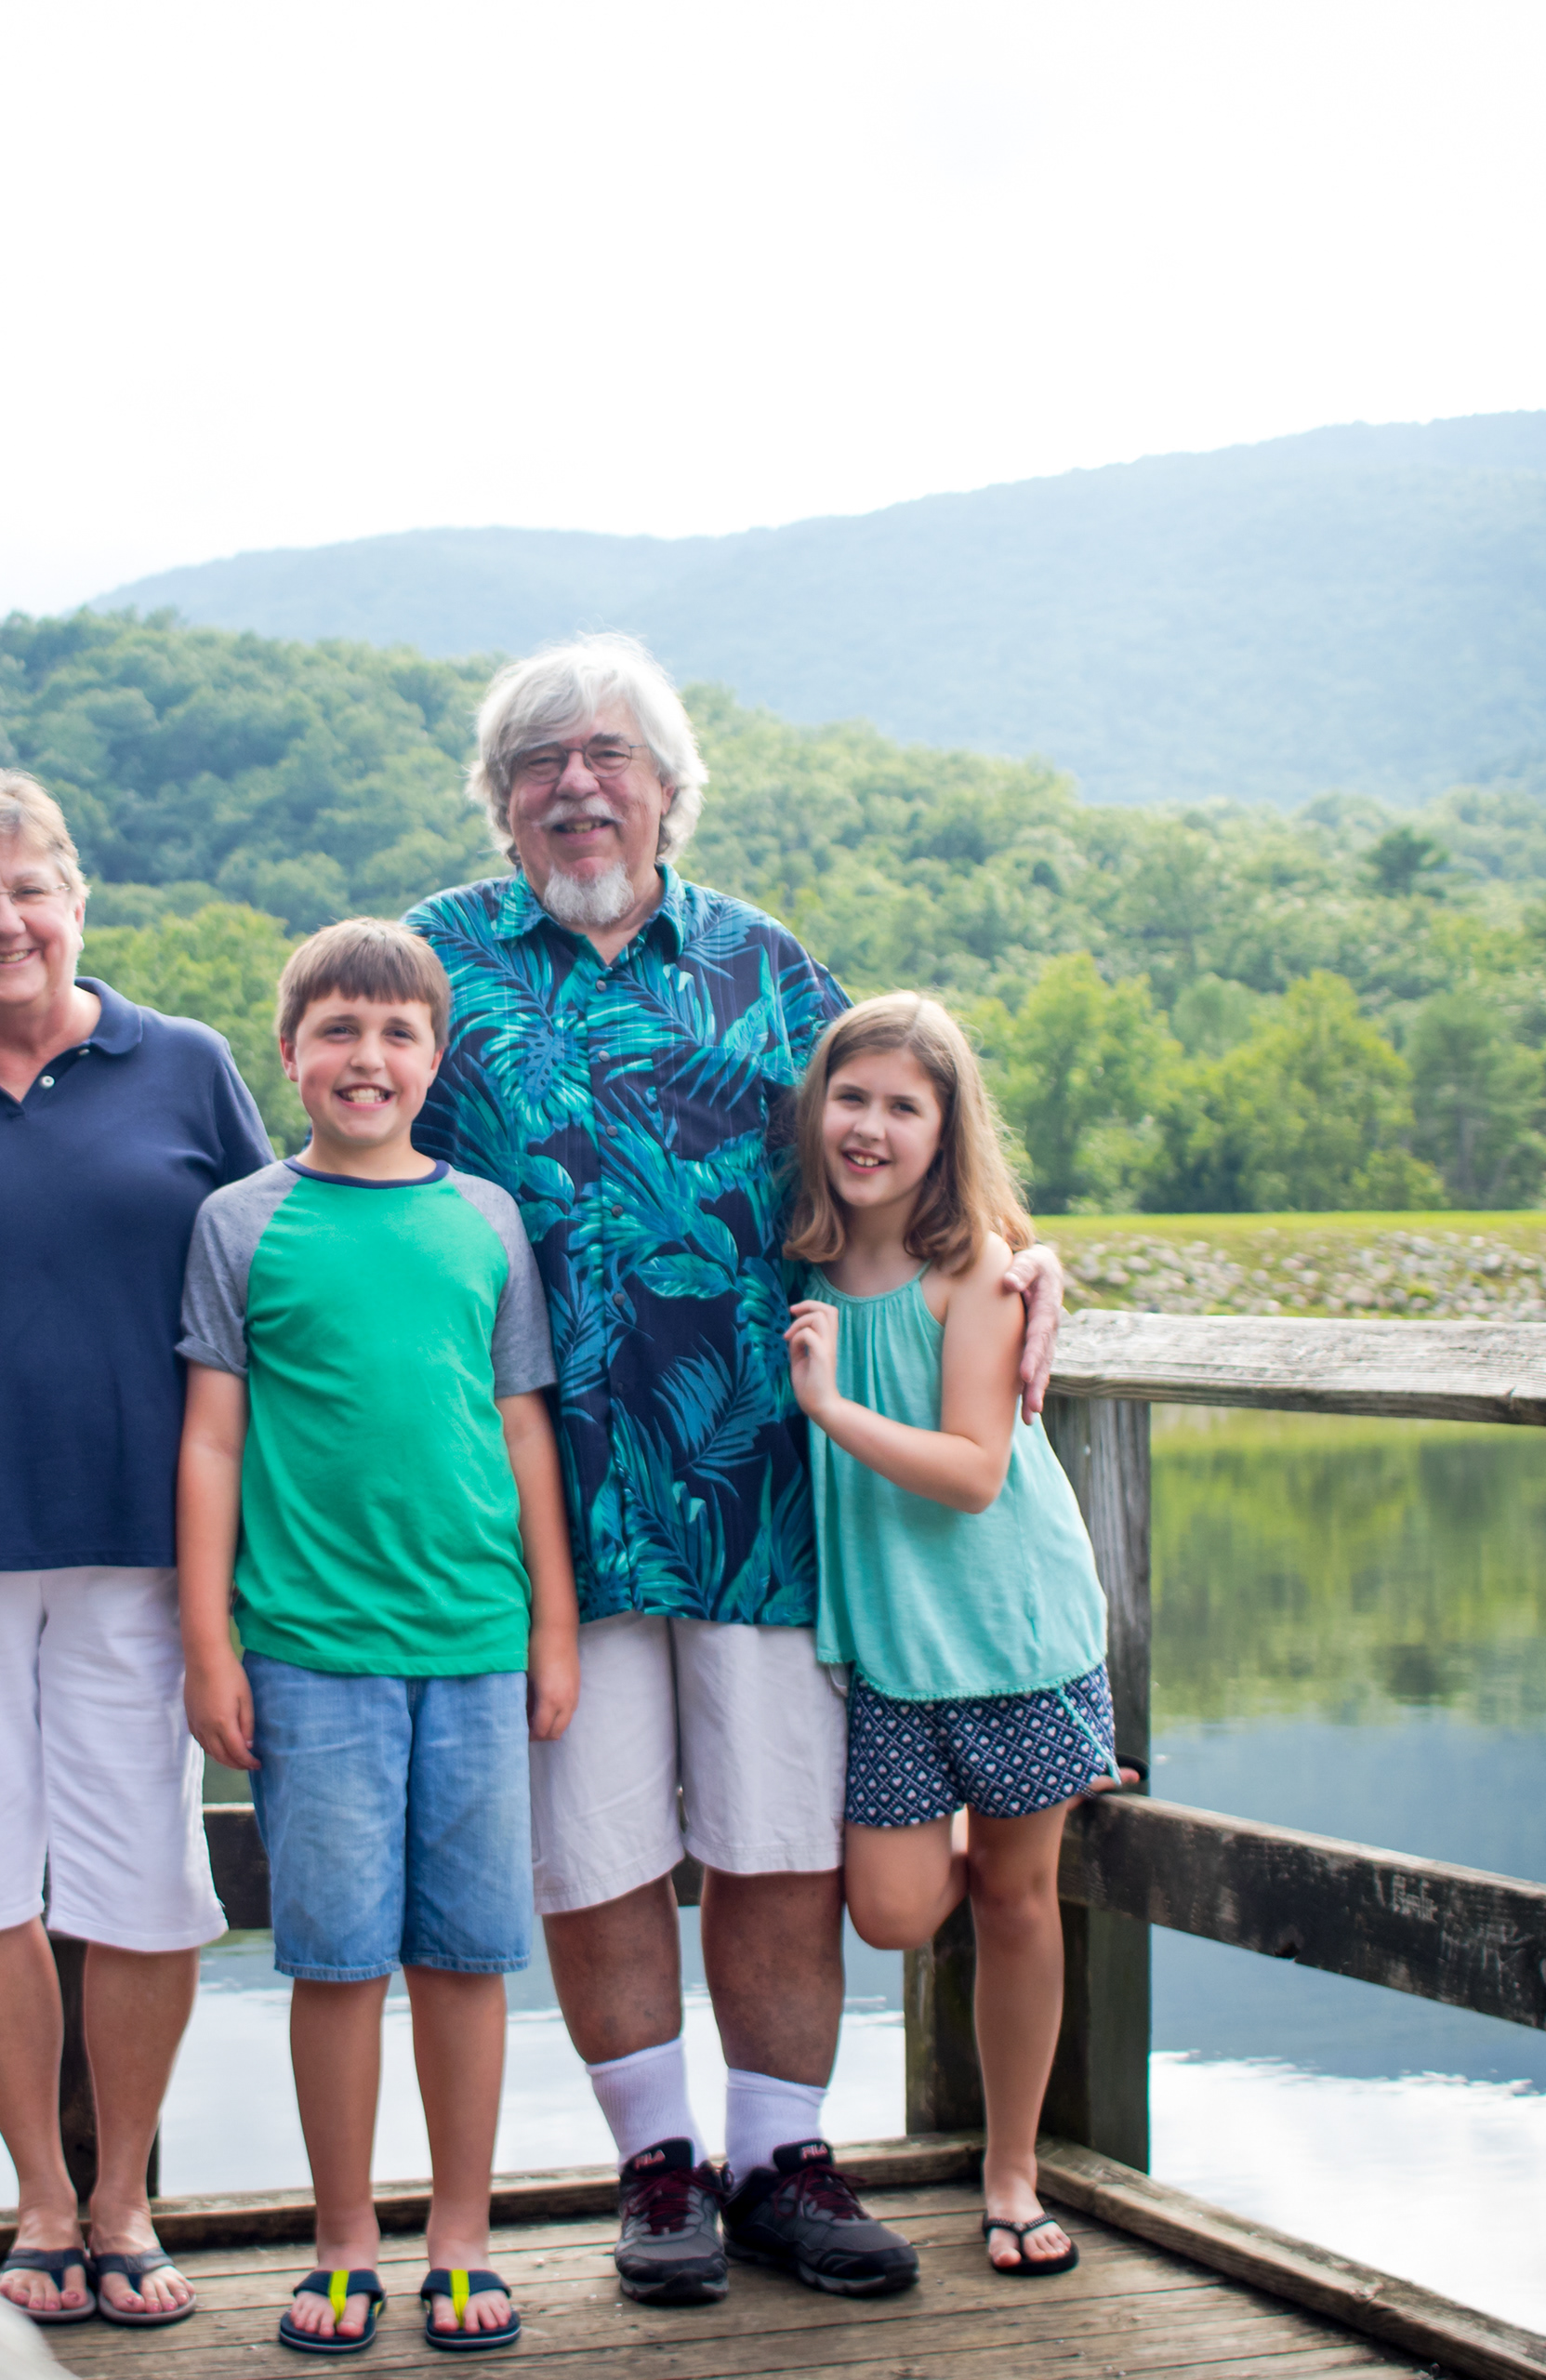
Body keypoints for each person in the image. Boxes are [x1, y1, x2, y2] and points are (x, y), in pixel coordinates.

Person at [406, 634, 1071, 2306]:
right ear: (499, 800)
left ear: (669, 789)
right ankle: (658, 2171)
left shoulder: (766, 968)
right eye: (541, 763)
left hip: (768, 1493)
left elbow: (900, 1148)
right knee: (597, 1847)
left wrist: (1023, 1259)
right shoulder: (434, 966)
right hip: (543, 1506)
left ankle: (778, 2163)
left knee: (782, 1842)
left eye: (608, 757)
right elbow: (348, 1174)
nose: (577, 787)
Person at [0, 770, 272, 2328]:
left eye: (30, 890)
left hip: (145, 1546)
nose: (5, 920)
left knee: (143, 1875)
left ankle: (123, 2197)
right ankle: (38, 2195)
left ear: (79, 904)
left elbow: (271, 1287)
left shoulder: (188, 1066)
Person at [173, 919, 582, 2356]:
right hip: (309, 1647)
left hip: (475, 1639)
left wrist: (553, 1623)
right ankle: (343, 2240)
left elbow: (523, 1427)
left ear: (436, 1057)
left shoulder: (486, 1219)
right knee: (338, 1959)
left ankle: (462, 2238)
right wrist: (210, 1641)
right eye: (337, 1031)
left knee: (468, 1955)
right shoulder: (241, 1223)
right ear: (290, 1054)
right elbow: (212, 1441)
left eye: (398, 1032)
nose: (368, 1057)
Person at [782, 994, 1120, 2280]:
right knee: (893, 1911)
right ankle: (1029, 1814)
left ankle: (1011, 2172)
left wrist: (829, 1406)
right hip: (893, 1654)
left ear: (946, 1129)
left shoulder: (973, 1267)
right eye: (850, 1098)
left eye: (902, 1107)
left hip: (1010, 1635)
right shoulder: (800, 1263)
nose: (869, 1128)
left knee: (1021, 1903)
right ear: (816, 1110)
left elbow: (978, 1473)